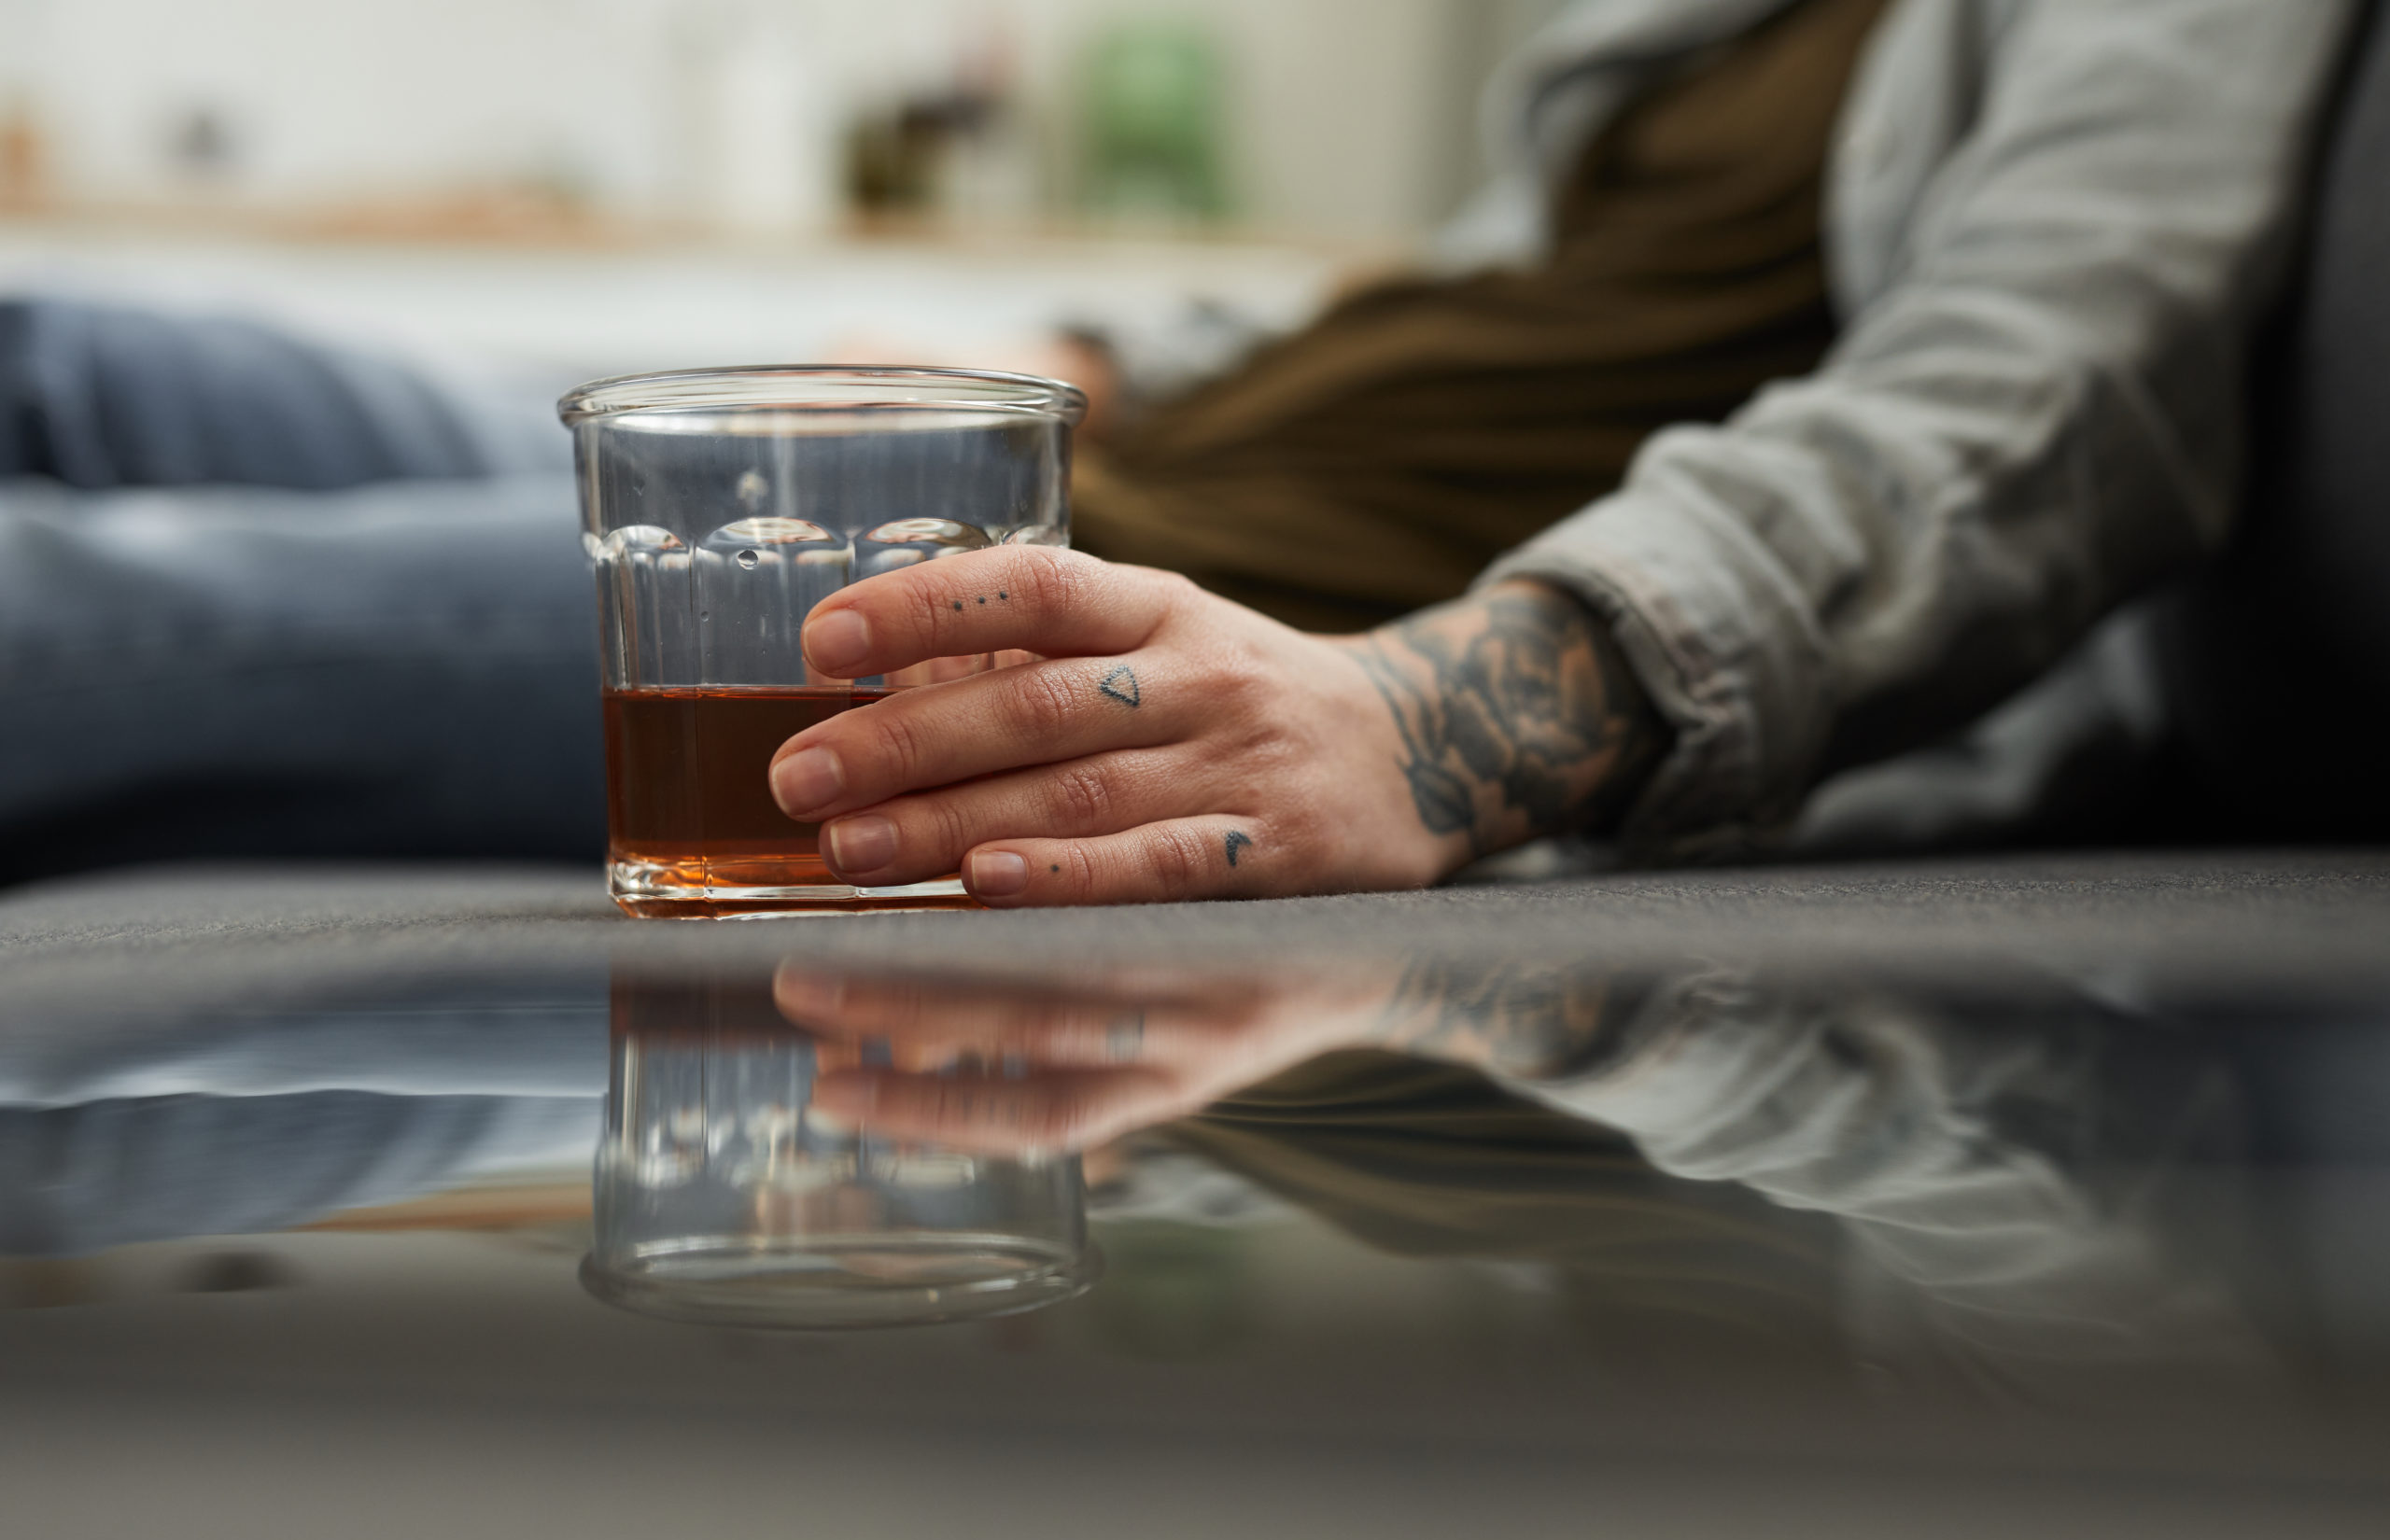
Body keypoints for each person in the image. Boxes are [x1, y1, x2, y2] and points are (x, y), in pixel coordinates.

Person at [0, 0, 2369, 900]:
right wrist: (1085, 350)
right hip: (1076, 452)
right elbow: (1454, 315)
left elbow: (2036, 404)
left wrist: (1440, 712)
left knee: (95, 615)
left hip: (1105, 600)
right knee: (76, 358)